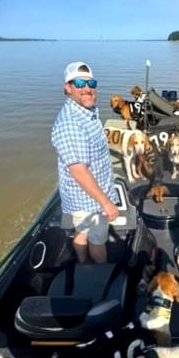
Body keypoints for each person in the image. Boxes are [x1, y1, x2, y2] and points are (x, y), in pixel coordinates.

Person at [51, 62, 118, 264]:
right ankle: (100, 275)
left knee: (82, 232)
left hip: (88, 198)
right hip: (89, 202)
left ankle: (83, 263)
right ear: (67, 88)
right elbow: (79, 171)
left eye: (91, 83)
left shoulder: (86, 113)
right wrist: (106, 203)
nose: (87, 88)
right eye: (79, 83)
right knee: (97, 241)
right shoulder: (70, 124)